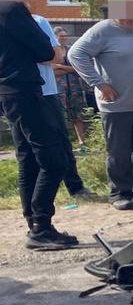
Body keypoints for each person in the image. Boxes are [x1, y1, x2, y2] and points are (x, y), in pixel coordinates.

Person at [0, 0, 75, 248]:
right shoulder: (13, 8)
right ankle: (41, 227)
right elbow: (46, 52)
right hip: (25, 90)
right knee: (53, 160)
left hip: (8, 91)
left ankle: (34, 222)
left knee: (28, 158)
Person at [68, 16, 133, 210]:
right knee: (119, 151)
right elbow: (76, 54)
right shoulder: (103, 30)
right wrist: (99, 83)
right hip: (116, 103)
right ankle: (120, 193)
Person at [31, 11, 91, 200]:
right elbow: (55, 58)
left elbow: (55, 57)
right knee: (30, 150)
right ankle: (37, 196)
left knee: (62, 143)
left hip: (45, 91)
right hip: (31, 94)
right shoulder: (33, 21)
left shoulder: (37, 21)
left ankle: (75, 187)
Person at [52, 26, 89, 150]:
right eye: (61, 36)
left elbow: (79, 69)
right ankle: (63, 144)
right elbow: (51, 70)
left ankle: (82, 143)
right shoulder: (52, 52)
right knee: (60, 116)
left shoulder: (72, 50)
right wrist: (69, 69)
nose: (64, 38)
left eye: (65, 36)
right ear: (55, 37)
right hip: (58, 88)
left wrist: (60, 67)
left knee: (77, 115)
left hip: (75, 88)